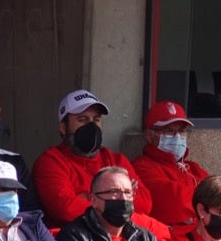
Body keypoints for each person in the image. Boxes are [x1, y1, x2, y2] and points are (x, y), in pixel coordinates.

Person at [32, 89, 154, 229]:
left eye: (96, 119)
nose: (91, 126)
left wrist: (88, 198)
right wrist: (121, 200)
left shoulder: (116, 160)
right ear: (63, 127)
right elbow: (67, 210)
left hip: (122, 238)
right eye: (82, 120)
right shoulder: (50, 162)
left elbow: (145, 204)